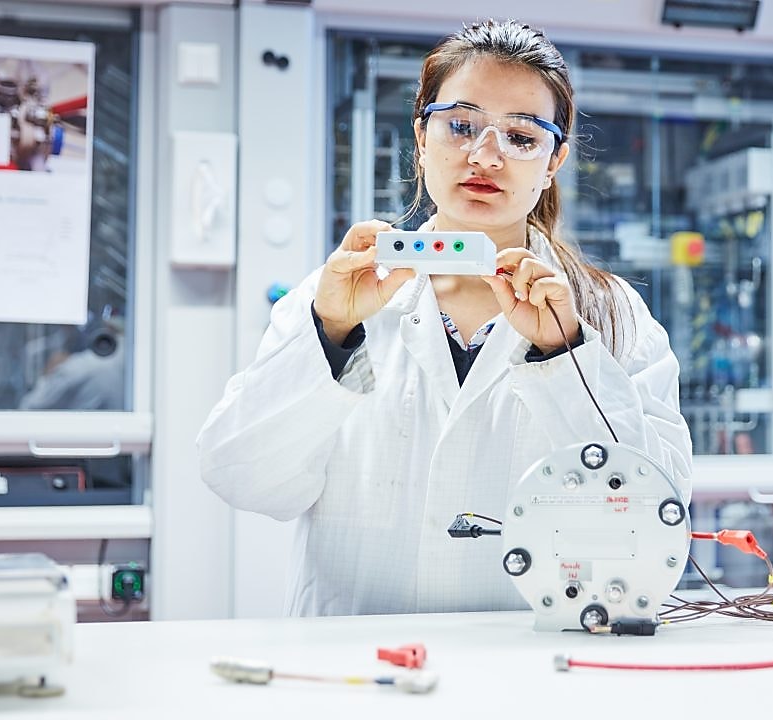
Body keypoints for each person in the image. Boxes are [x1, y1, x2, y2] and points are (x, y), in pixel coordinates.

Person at [197, 19, 692, 617]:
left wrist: (564, 358)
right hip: (360, 665)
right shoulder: (337, 297)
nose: (485, 156)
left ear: (554, 159)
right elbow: (243, 478)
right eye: (461, 125)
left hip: (528, 669)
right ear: (421, 137)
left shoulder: (611, 315)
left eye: (522, 136)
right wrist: (329, 338)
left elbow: (654, 519)